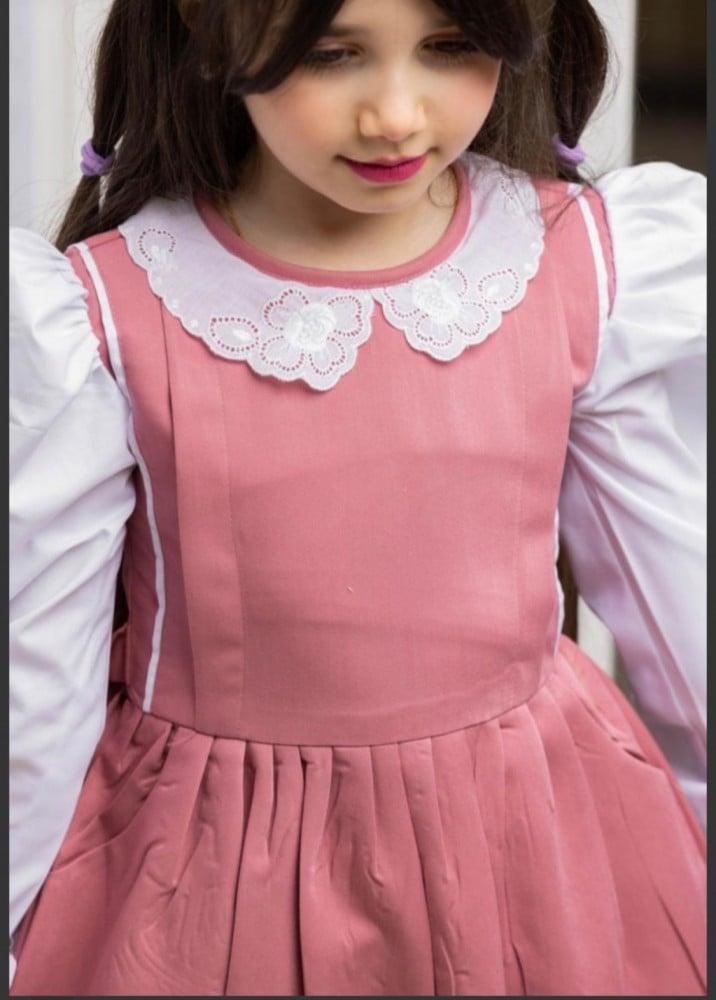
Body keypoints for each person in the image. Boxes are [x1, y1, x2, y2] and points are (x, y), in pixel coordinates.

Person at [9, 0, 706, 994]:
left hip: (534, 847)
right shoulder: (101, 318)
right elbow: (33, 685)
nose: (395, 116)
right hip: (206, 874)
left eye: (449, 48)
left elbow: (682, 618)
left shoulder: (577, 262)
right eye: (333, 55)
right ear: (213, 30)